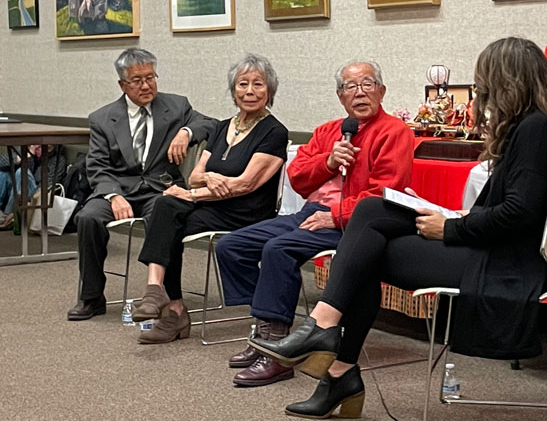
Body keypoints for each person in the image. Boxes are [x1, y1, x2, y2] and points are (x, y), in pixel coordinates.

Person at [249, 37, 547, 419]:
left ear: (507, 82)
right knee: (374, 210)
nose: (483, 93)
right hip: (500, 249)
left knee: (367, 248)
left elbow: (518, 212)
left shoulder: (537, 129)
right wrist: (451, 218)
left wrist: (450, 228)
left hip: (507, 263)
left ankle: (332, 352)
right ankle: (331, 350)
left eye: (486, 84)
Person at [214, 60, 414, 387]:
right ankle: (267, 331)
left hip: (353, 225)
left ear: (382, 91)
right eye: (350, 86)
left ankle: (278, 355)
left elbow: (384, 195)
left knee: (278, 250)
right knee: (231, 246)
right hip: (311, 213)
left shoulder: (395, 132)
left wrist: (336, 215)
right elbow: (298, 177)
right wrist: (329, 161)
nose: (360, 93)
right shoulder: (328, 131)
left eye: (367, 84)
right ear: (340, 96)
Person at [131, 54, 289, 344]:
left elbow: (244, 185)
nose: (250, 91)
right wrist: (209, 180)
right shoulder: (222, 126)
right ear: (233, 90)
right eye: (243, 84)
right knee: (164, 209)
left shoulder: (274, 131)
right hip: (213, 205)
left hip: (247, 212)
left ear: (270, 91)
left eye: (258, 84)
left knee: (167, 218)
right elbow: (194, 175)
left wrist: (194, 191)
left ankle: (172, 309)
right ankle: (158, 293)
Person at [67, 48, 215, 321]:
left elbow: (211, 124)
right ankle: (91, 297)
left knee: (165, 214)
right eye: (137, 80)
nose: (146, 85)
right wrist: (112, 195)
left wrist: (187, 131)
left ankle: (164, 295)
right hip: (118, 189)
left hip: (159, 188)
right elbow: (97, 166)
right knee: (88, 217)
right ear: (122, 84)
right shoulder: (102, 118)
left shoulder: (177, 106)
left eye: (151, 77)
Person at [0, 145, 68, 229]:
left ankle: (10, 216)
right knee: (3, 174)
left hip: (34, 195)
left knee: (22, 172)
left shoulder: (58, 160)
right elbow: (1, 162)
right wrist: (23, 157)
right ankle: (2, 216)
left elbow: (47, 186)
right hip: (14, 192)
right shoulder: (25, 149)